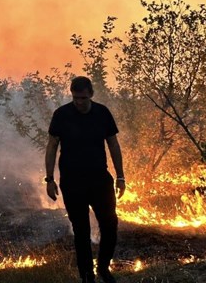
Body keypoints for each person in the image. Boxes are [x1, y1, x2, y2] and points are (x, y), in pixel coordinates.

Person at [45, 76, 125, 283]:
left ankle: (104, 267)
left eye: (82, 98)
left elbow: (113, 145)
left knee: (109, 224)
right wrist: (49, 179)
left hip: (100, 179)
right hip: (72, 182)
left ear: (90, 94)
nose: (79, 102)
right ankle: (87, 275)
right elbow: (52, 146)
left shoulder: (102, 113)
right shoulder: (62, 115)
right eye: (75, 98)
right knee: (81, 230)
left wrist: (121, 176)